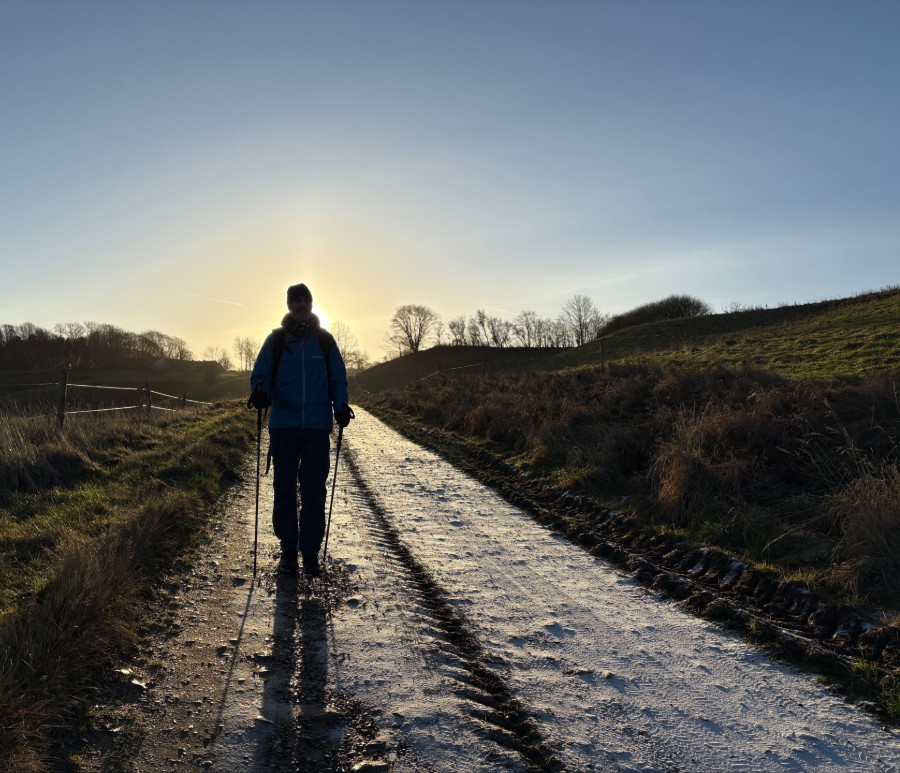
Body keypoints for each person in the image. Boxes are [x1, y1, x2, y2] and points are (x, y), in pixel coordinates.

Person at [248, 283, 353, 576]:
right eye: (296, 301)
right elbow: (261, 373)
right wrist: (260, 391)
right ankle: (288, 552)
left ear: (311, 303)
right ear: (289, 305)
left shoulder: (324, 341)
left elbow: (338, 379)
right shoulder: (276, 341)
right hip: (283, 426)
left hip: (317, 428)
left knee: (313, 489)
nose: (301, 305)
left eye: (305, 300)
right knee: (284, 489)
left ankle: (310, 554)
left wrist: (341, 406)